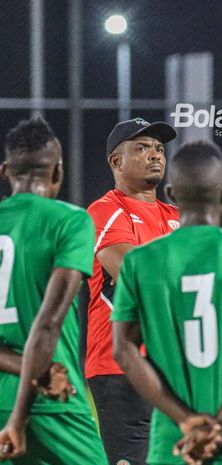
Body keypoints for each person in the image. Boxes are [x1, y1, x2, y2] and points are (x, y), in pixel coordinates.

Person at [111, 140, 222, 465]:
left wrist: (186, 420)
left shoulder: (140, 262)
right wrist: (219, 425)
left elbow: (123, 349)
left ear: (171, 195)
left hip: (173, 447)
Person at [0, 117, 107, 464]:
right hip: (51, 400)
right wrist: (19, 417)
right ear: (58, 171)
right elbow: (47, 323)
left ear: (6, 172)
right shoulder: (70, 221)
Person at [86, 117, 179, 465]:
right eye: (141, 148)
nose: (155, 154)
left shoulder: (177, 216)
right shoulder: (106, 211)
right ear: (116, 161)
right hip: (120, 367)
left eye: (158, 148)